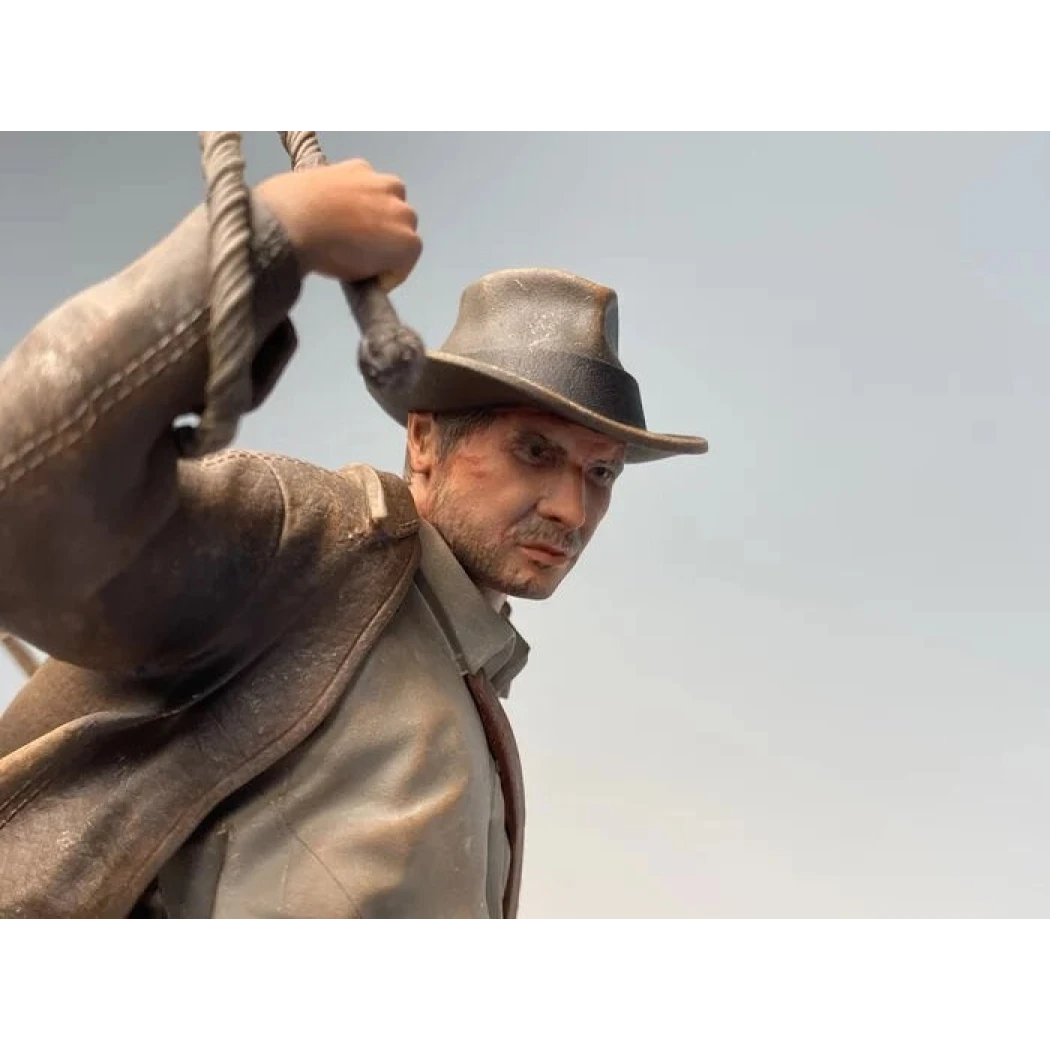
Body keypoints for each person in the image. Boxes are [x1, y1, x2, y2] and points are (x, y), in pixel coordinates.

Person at [0, 156, 708, 921]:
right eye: (534, 451)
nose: (572, 508)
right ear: (425, 441)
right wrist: (275, 232)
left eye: (601, 472)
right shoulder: (309, 551)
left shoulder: (465, 676)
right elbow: (26, 496)